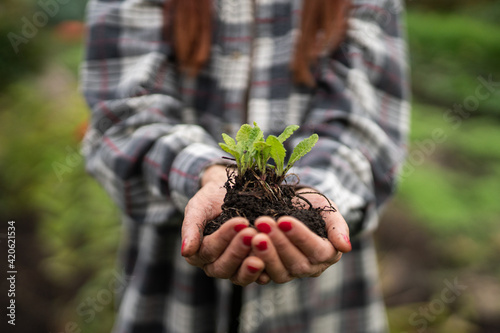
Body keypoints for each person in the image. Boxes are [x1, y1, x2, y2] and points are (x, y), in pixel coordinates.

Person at [81, 0, 409, 332]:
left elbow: (364, 131)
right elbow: (123, 118)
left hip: (325, 307)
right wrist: (205, 173)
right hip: (171, 294)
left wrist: (314, 198)